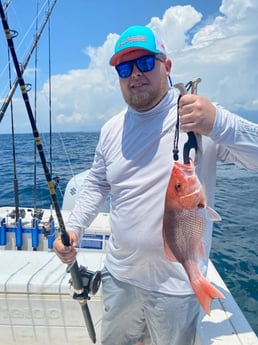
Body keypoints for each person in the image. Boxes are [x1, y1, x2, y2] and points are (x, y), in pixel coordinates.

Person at [54, 25, 258, 345]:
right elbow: (96, 182)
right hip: (119, 276)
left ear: (167, 65)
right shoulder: (111, 129)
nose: (135, 74)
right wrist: (75, 226)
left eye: (145, 63)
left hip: (176, 287)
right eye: (124, 67)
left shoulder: (197, 116)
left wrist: (220, 123)